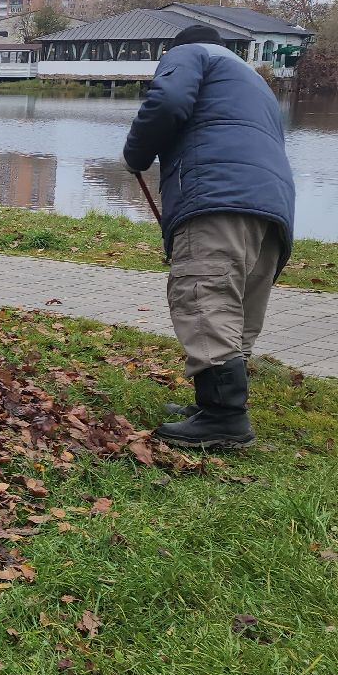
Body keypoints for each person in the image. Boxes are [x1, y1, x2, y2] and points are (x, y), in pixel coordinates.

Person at [123, 24, 296, 448]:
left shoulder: (191, 54)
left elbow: (167, 101)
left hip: (217, 195)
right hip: (273, 204)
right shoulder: (254, 79)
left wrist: (135, 154)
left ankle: (224, 418)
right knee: (240, 303)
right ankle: (214, 403)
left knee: (204, 293)